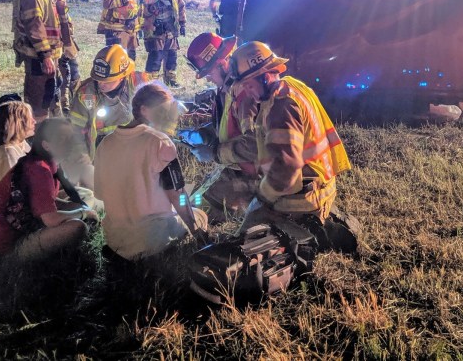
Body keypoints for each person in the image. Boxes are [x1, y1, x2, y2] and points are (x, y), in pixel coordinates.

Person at [227, 41, 352, 231]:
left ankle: (305, 232)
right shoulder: (292, 85)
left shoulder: (281, 107)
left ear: (265, 76)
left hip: (304, 199)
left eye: (249, 85)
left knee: (248, 233)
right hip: (320, 184)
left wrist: (262, 196)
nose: (248, 92)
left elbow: (286, 170)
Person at [94, 83, 209, 260]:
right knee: (200, 214)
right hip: (151, 239)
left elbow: (100, 194)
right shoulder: (160, 142)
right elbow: (177, 195)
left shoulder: (105, 143)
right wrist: (197, 232)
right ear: (144, 110)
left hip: (115, 239)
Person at [0, 118, 97, 261]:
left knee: (82, 201)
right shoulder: (39, 170)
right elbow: (50, 219)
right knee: (78, 227)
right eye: (63, 139)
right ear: (46, 145)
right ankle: (15, 262)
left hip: (27, 225)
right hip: (10, 246)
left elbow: (48, 201)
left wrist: (78, 207)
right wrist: (83, 213)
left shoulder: (45, 162)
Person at [184, 32, 259, 223]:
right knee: (192, 201)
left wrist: (214, 153)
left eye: (209, 73)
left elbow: (254, 146)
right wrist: (204, 134)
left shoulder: (244, 94)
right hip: (239, 167)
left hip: (259, 176)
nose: (208, 79)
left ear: (222, 63)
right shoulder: (226, 90)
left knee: (198, 213)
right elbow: (228, 125)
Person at [69, 44, 152, 159]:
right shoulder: (85, 94)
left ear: (122, 77)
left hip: (136, 151)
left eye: (107, 81)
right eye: (98, 79)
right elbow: (76, 130)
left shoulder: (141, 83)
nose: (100, 84)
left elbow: (161, 113)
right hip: (101, 154)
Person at [13, 0, 67, 120]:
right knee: (38, 97)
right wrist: (45, 56)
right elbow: (34, 26)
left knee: (51, 92)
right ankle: (34, 130)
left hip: (51, 53)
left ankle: (49, 127)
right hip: (37, 55)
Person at [54, 0, 93, 113]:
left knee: (73, 71)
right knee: (62, 74)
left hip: (65, 37)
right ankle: (64, 106)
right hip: (55, 39)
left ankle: (74, 104)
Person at [141, 0, 186, 87]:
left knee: (172, 56)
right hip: (155, 32)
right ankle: (151, 83)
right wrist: (144, 27)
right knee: (156, 56)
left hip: (170, 30)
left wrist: (182, 24)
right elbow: (141, 15)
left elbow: (181, 7)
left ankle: (171, 80)